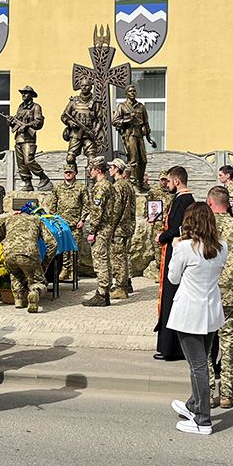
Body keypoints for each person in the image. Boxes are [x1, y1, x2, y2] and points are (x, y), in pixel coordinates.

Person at [167, 203, 229, 436]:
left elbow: (173, 278)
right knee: (203, 361)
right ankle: (194, 404)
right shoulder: (223, 246)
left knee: (198, 366)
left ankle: (203, 419)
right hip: (211, 311)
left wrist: (176, 248)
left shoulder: (184, 248)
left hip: (189, 313)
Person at [206, 185, 233, 409]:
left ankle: (206, 392)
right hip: (231, 294)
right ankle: (227, 394)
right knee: (229, 345)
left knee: (205, 346)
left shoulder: (203, 226)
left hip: (205, 294)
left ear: (210, 203)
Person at [154, 166, 194, 361]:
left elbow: (177, 228)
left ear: (177, 181)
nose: (167, 185)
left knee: (171, 296)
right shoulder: (182, 199)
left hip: (176, 252)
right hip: (174, 250)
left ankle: (170, 347)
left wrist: (161, 236)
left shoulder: (184, 200)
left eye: (168, 182)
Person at [0, 206, 56, 313]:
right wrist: (45, 262)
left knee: (16, 274)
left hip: (9, 253)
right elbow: (52, 244)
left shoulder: (8, 219)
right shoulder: (37, 220)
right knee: (38, 280)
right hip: (29, 254)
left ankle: (18, 300)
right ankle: (35, 292)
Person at [83, 161, 120, 307]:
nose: (89, 172)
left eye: (90, 169)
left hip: (101, 230)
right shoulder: (110, 186)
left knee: (100, 261)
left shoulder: (100, 187)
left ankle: (102, 293)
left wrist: (92, 231)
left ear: (97, 170)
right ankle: (104, 292)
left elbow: (97, 212)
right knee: (106, 260)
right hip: (107, 227)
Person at [48, 164, 88, 284]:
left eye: (70, 172)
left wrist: (82, 220)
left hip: (76, 224)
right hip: (62, 224)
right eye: (66, 172)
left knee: (75, 249)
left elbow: (86, 205)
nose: (68, 174)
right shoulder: (58, 188)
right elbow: (53, 205)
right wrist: (53, 219)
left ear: (75, 173)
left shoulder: (81, 187)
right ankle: (65, 270)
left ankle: (74, 272)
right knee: (64, 249)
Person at [10, 86, 52, 191]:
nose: (24, 95)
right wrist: (11, 121)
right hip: (19, 138)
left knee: (29, 160)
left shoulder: (35, 107)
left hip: (29, 139)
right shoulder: (20, 107)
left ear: (32, 95)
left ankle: (43, 177)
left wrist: (27, 125)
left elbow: (39, 122)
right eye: (23, 93)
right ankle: (27, 183)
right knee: (21, 164)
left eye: (26, 93)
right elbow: (16, 121)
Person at [113, 84, 153, 191]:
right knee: (133, 160)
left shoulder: (141, 107)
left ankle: (140, 182)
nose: (133, 93)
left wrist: (149, 139)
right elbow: (115, 121)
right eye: (130, 91)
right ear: (126, 93)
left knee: (143, 160)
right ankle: (133, 182)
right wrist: (128, 120)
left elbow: (146, 123)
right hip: (129, 134)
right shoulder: (122, 106)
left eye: (134, 91)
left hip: (139, 134)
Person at [109, 159, 137, 299]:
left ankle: (120, 288)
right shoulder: (129, 186)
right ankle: (125, 283)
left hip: (119, 228)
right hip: (127, 227)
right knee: (124, 257)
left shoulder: (118, 186)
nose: (109, 170)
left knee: (118, 258)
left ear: (116, 169)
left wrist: (111, 227)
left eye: (111, 167)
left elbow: (116, 209)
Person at [61, 84, 100, 169]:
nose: (84, 87)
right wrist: (69, 122)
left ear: (90, 87)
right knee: (70, 158)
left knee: (92, 159)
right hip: (75, 134)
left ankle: (91, 181)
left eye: (87, 85)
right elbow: (64, 116)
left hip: (88, 134)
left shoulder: (95, 102)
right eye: (82, 85)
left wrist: (95, 131)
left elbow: (100, 119)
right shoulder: (73, 102)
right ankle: (72, 179)